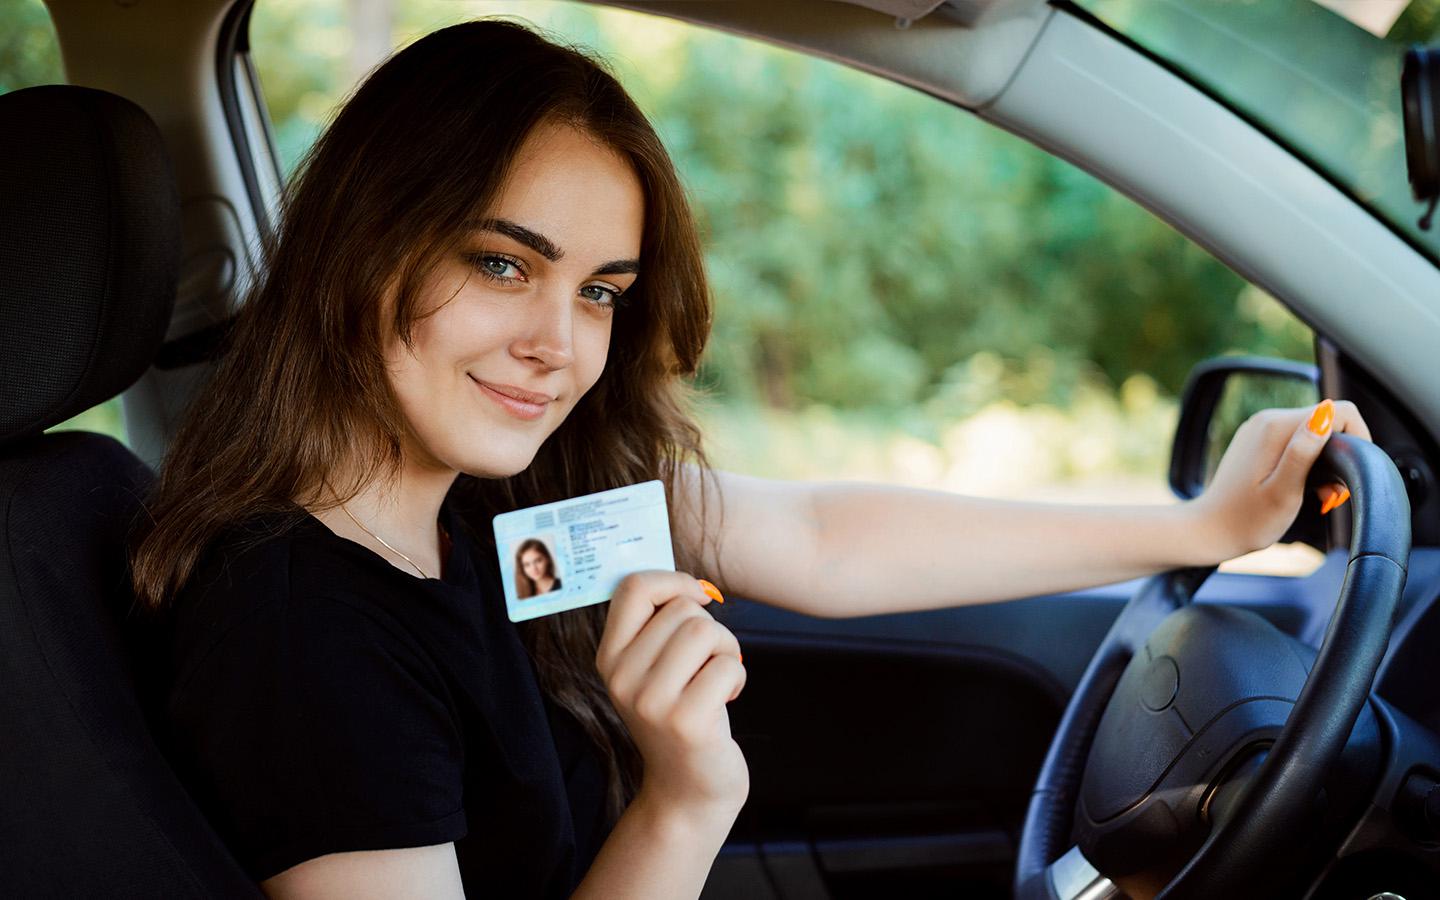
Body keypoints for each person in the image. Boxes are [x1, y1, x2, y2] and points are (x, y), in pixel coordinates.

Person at [126, 18, 1371, 900]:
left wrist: (1202, 529)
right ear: (364, 245)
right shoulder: (301, 635)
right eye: (501, 263)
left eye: (601, 290)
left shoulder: (499, 499)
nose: (558, 346)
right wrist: (684, 801)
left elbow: (826, 539)